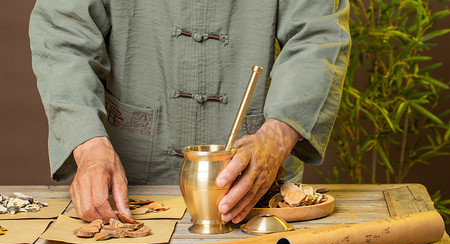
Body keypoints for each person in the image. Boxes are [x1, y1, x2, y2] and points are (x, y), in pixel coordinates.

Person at [29, 1, 351, 224]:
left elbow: (318, 35)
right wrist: (89, 147)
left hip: (253, 196)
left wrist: (275, 139)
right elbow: (63, 35)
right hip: (124, 195)